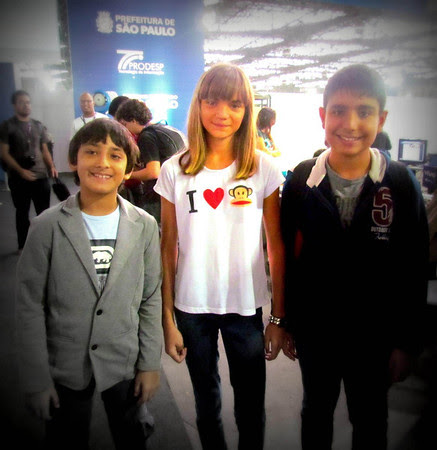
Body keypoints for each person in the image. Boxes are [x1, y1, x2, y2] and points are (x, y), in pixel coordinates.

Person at [280, 64, 429, 449]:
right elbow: (289, 258)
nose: (350, 123)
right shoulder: (301, 180)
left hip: (375, 332)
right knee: (316, 409)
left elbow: (414, 266)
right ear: (322, 116)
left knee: (370, 415)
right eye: (339, 111)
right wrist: (287, 321)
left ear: (381, 119)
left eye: (364, 111)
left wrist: (407, 342)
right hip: (317, 329)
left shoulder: (399, 182)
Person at [154, 62, 286, 450]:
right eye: (211, 101)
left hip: (245, 308)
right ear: (198, 105)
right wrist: (167, 318)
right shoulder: (174, 170)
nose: (222, 113)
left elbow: (275, 245)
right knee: (205, 402)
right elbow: (167, 246)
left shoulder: (262, 168)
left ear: (247, 110)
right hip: (191, 309)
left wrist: (278, 317)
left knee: (251, 404)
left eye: (234, 104)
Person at [16, 118, 162, 450]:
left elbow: (150, 297)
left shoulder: (144, 225)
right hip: (65, 364)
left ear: (128, 169)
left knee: (131, 435)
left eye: (115, 155)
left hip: (124, 360)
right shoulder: (46, 226)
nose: (102, 163)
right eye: (92, 152)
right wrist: (36, 378)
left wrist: (150, 363)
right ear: (74, 160)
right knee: (66, 437)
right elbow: (29, 306)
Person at [0, 90, 58, 250]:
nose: (26, 105)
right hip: (19, 178)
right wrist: (21, 171)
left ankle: (44, 244)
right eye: (21, 102)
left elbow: (44, 150)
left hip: (40, 176)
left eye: (28, 102)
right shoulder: (8, 126)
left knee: (44, 213)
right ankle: (23, 246)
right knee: (22, 212)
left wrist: (51, 166)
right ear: (14, 105)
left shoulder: (38, 126)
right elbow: (4, 153)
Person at [116, 98, 186, 224]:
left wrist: (126, 175)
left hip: (161, 195)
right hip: (182, 191)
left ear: (133, 120)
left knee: (151, 226)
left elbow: (153, 172)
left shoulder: (147, 136)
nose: (124, 130)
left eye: (124, 124)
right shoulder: (165, 128)